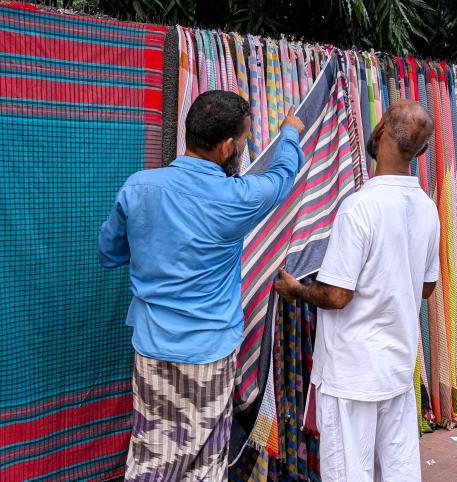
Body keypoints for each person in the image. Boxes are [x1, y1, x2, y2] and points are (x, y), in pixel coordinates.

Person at [98, 90, 305, 481]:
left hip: (153, 349)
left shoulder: (138, 187)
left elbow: (109, 253)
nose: (242, 147)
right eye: (243, 139)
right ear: (227, 146)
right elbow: (281, 178)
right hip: (211, 354)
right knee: (206, 463)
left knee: (152, 456)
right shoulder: (238, 198)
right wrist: (290, 132)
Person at [274, 100, 439, 482]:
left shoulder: (359, 207)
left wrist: (297, 290)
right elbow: (427, 288)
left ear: (379, 133)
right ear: (423, 151)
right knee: (398, 470)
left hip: (352, 372)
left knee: (350, 471)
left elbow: (336, 296)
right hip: (397, 367)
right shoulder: (426, 207)